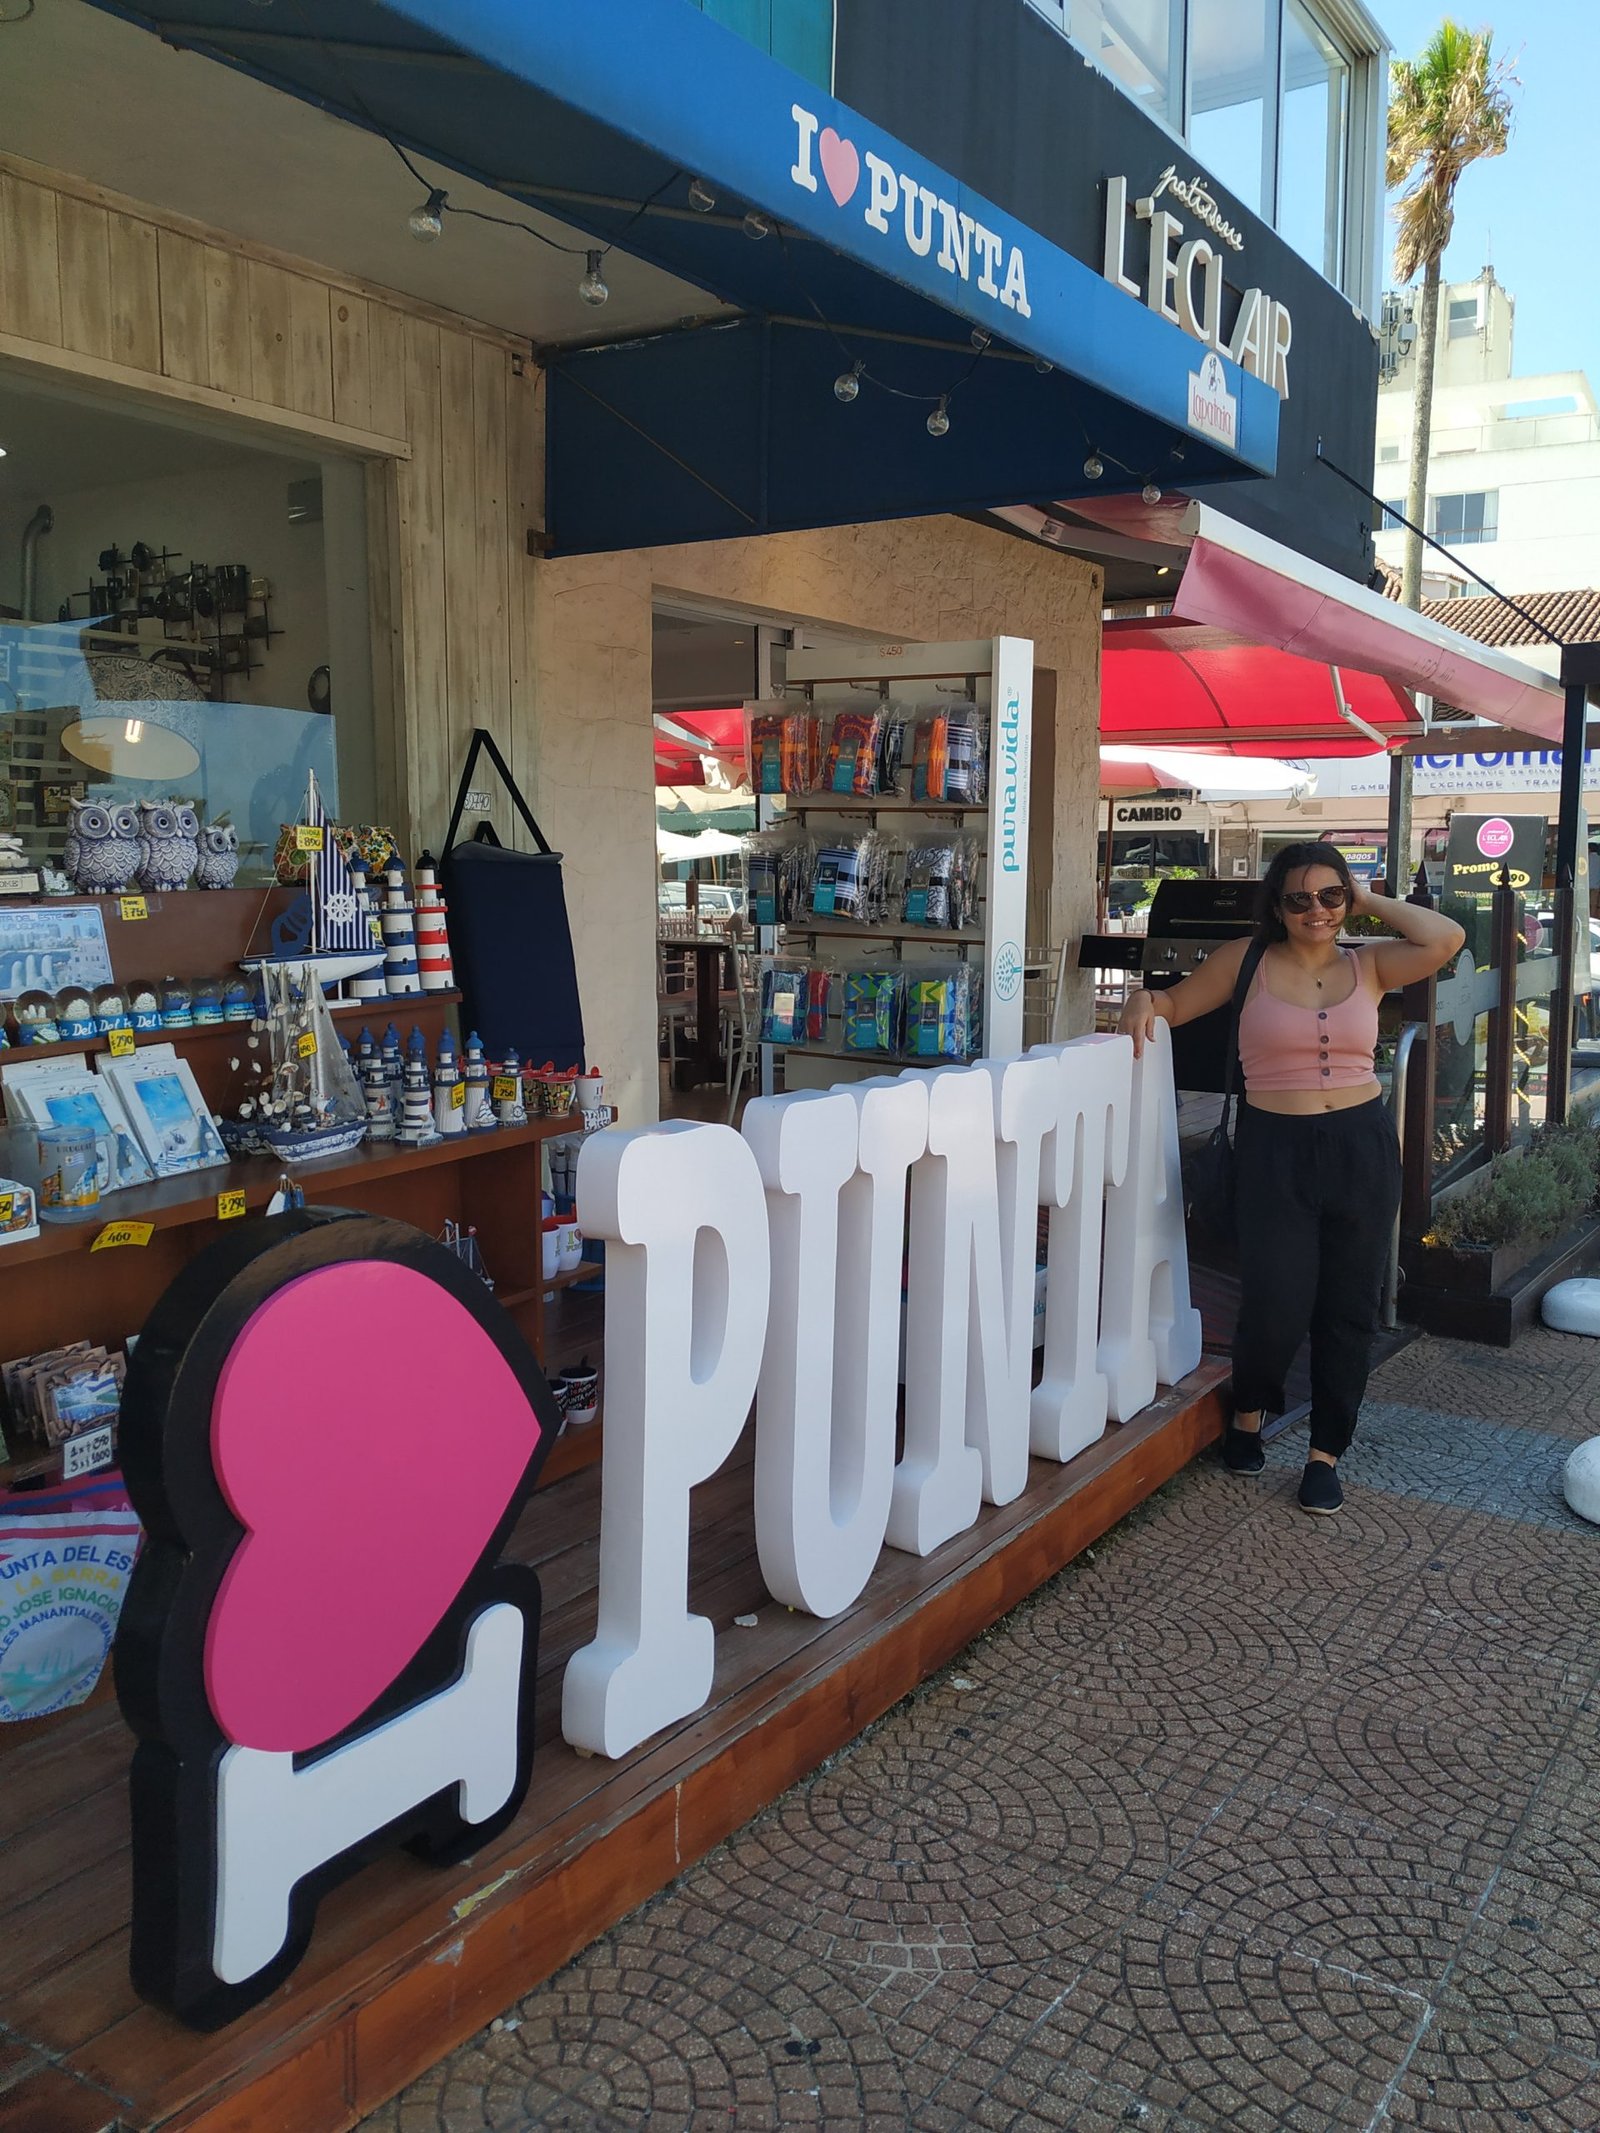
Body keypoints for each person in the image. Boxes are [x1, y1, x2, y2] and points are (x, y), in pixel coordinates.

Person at [1119, 845, 1465, 1516]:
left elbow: (1444, 937)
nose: (1317, 910)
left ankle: (1325, 1452)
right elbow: (1173, 1002)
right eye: (1299, 898)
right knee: (1276, 1300)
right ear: (1277, 904)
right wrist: (1142, 998)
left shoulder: (1368, 962)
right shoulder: (1245, 961)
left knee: (1348, 1305)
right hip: (1275, 1149)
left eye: (1331, 896)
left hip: (1361, 1148)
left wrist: (1368, 901)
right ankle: (1248, 1408)